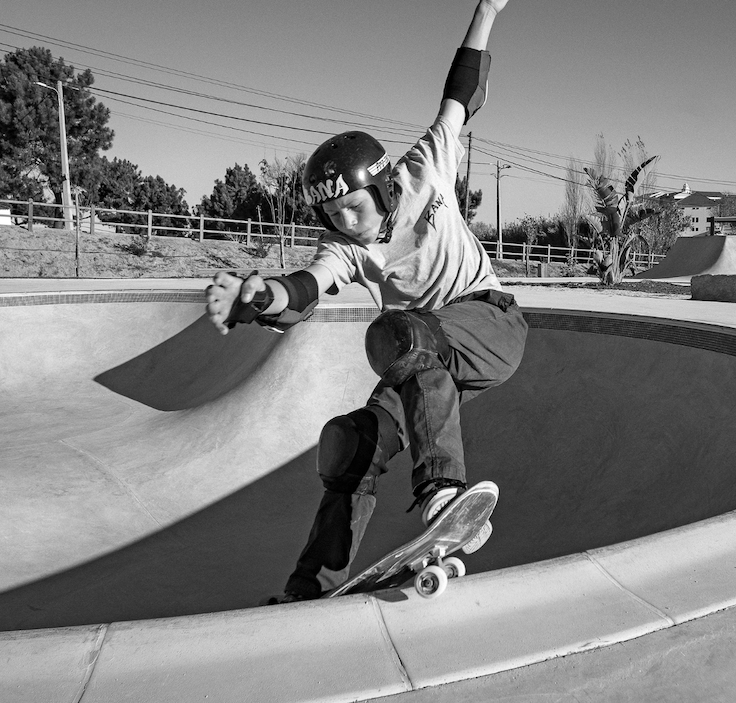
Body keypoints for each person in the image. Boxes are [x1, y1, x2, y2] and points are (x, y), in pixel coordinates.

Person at [205, 0, 524, 603]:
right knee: (350, 446)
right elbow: (305, 286)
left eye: (352, 207)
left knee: (397, 335)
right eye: (330, 216)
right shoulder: (345, 247)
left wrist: (486, 11)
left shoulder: (426, 166)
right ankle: (308, 590)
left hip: (490, 324)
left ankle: (441, 492)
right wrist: (257, 298)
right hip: (425, 366)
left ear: (378, 185)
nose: (346, 225)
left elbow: (463, 91)